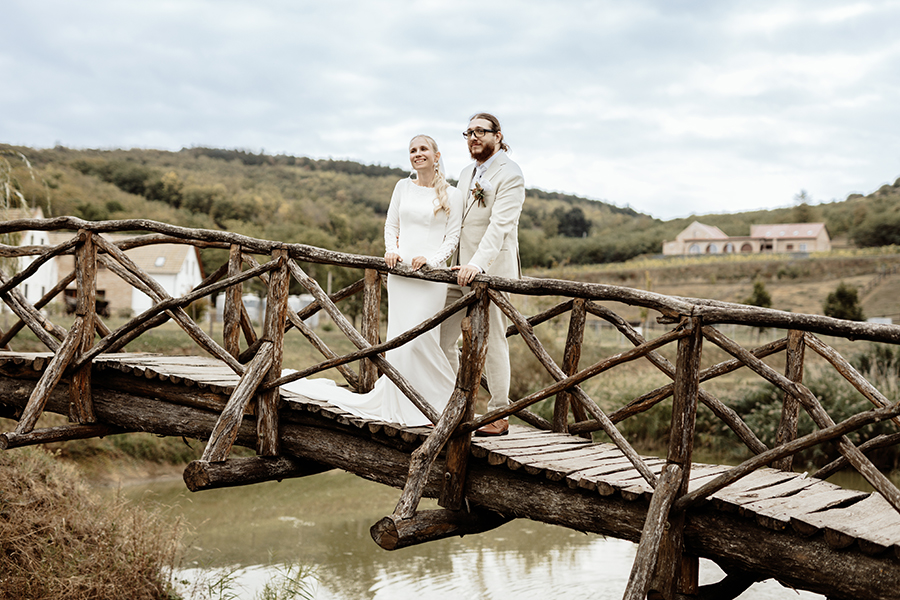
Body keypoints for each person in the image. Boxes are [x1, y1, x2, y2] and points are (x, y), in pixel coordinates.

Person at [282, 135, 463, 427]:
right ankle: (405, 402)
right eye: (413, 150)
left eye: (423, 149)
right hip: (401, 274)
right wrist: (391, 251)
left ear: (437, 155)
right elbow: (391, 225)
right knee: (399, 343)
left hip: (430, 277)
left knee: (422, 342)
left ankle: (439, 405)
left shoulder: (452, 194)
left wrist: (432, 261)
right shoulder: (402, 187)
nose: (418, 154)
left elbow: (452, 237)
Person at [439, 113, 526, 437]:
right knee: (441, 338)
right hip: (457, 270)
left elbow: (500, 227)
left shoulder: (511, 174)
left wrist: (477, 264)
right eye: (469, 132)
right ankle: (456, 405)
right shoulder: (465, 173)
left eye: (481, 132)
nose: (473, 137)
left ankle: (499, 413)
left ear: (498, 136)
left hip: (491, 271)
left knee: (492, 340)